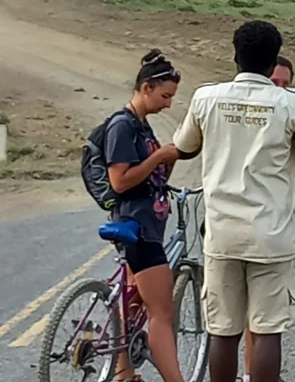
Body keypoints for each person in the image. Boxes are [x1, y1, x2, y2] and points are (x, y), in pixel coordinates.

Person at [172, 20, 295, 382]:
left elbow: (184, 148)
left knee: (223, 331)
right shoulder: (291, 104)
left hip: (222, 234)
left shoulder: (206, 98)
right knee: (266, 332)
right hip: (271, 236)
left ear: (236, 56)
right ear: (272, 63)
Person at [240, 54, 295, 382]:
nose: (280, 90)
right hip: (259, 223)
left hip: (276, 218)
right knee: (262, 315)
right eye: (275, 82)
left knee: (258, 313)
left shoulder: (289, 112)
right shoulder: (249, 116)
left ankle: (253, 374)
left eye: (286, 84)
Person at [105, 49, 185, 382]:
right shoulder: (123, 126)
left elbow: (151, 182)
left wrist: (168, 160)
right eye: (165, 96)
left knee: (134, 301)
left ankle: (124, 371)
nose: (168, 103)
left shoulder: (142, 127)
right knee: (161, 314)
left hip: (147, 223)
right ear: (146, 87)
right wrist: (157, 158)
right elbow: (120, 180)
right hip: (137, 227)